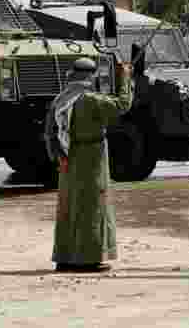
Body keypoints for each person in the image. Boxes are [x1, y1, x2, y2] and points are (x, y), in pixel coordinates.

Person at [45, 56, 133, 273]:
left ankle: (64, 259)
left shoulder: (61, 99)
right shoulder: (91, 99)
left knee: (70, 206)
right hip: (91, 158)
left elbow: (51, 132)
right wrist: (126, 78)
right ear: (90, 77)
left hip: (67, 158)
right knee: (92, 206)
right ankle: (89, 259)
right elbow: (122, 104)